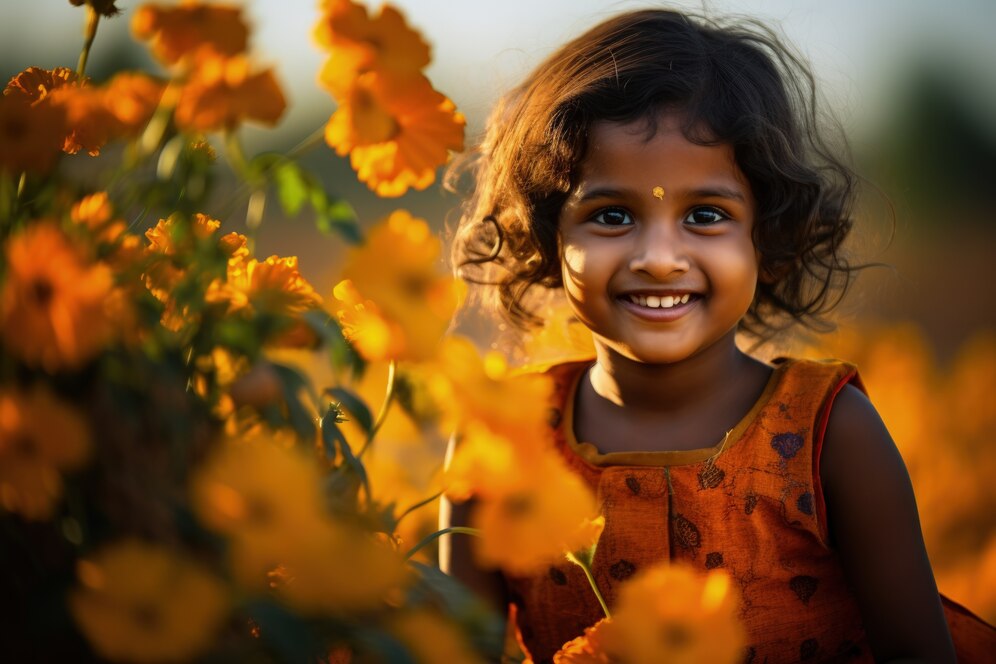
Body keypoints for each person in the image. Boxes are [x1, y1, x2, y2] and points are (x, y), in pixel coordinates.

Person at [439, 8, 994, 664]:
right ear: (548, 235)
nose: (659, 257)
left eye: (705, 215)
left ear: (767, 234)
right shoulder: (499, 445)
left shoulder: (832, 436)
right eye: (612, 214)